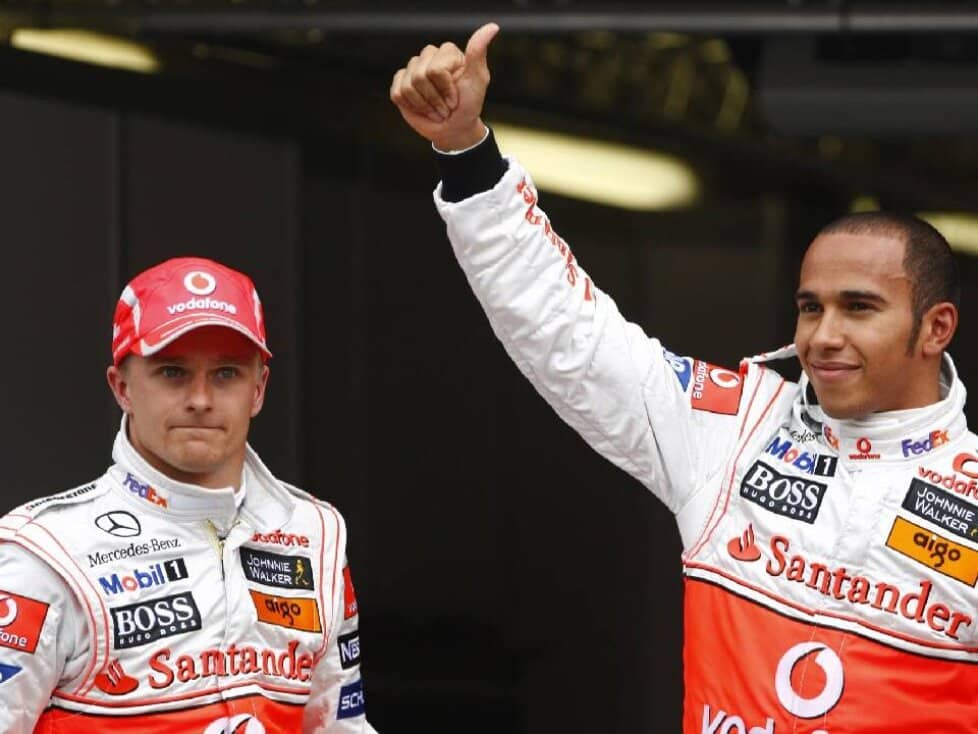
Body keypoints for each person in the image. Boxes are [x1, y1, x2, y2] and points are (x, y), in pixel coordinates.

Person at [391, 23, 978, 732]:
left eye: (859, 309)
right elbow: (569, 334)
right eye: (810, 307)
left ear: (936, 328)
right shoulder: (738, 429)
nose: (824, 335)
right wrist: (465, 152)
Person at [0, 257, 377, 733]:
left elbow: (340, 726)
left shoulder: (315, 535)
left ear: (258, 389)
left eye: (226, 374)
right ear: (122, 387)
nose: (200, 399)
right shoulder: (43, 554)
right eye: (172, 372)